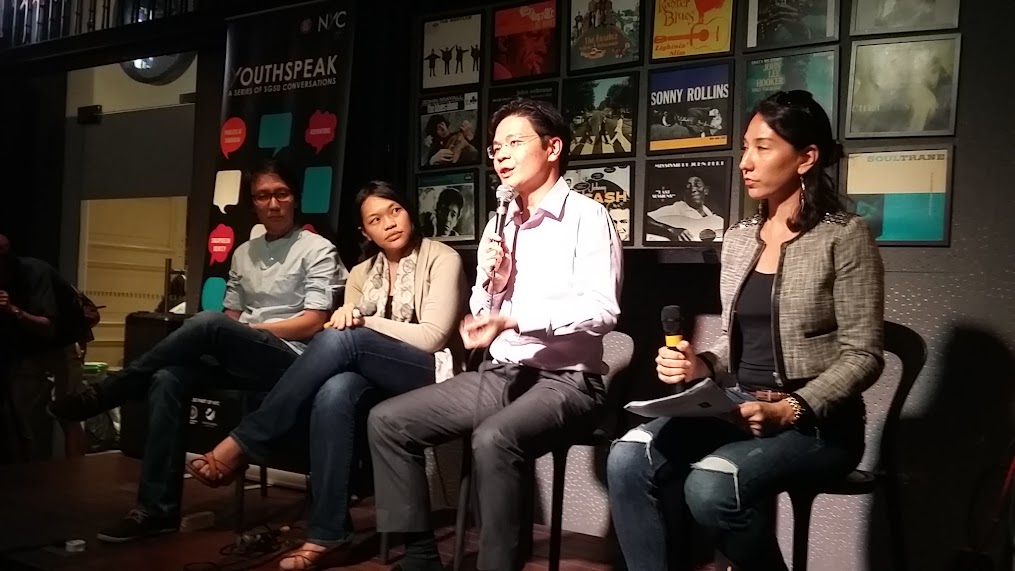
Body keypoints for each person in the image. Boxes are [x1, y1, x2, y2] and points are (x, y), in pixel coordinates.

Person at [607, 90, 884, 571]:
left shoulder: (844, 235)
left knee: (711, 487)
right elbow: (732, 341)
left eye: (762, 147)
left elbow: (864, 355)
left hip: (818, 425)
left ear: (806, 158)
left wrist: (790, 409)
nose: (745, 163)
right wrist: (701, 364)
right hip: (736, 406)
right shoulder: (738, 238)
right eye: (744, 148)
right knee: (628, 457)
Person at [368, 98, 623, 571]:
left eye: (514, 142)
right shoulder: (500, 221)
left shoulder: (587, 217)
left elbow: (602, 311)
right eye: (495, 147)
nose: (501, 154)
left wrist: (515, 318)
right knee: (387, 421)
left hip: (567, 381)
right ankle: (420, 559)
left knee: (494, 439)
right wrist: (491, 287)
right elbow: (484, 310)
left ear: (552, 148)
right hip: (503, 372)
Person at [48, 157, 346, 543]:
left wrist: (242, 330)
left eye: (281, 194)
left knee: (208, 322)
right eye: (263, 196)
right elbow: (232, 314)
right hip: (243, 353)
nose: (273, 204)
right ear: (253, 203)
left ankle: (108, 392)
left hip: (292, 359)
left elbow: (312, 322)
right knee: (166, 377)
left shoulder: (318, 249)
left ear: (295, 198)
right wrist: (231, 332)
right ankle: (155, 510)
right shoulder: (244, 252)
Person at [187, 181, 468, 570]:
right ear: (364, 231)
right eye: (375, 219)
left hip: (433, 373)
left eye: (395, 211)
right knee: (335, 390)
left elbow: (431, 337)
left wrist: (363, 321)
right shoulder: (360, 273)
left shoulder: (442, 258)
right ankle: (327, 532)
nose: (389, 223)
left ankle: (245, 441)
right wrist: (353, 323)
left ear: (408, 211)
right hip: (378, 375)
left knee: (343, 338)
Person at [0, 235, 90, 462]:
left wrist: (13, 310)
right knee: (16, 413)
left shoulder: (36, 273)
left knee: (68, 412)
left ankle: (77, 472)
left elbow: (47, 327)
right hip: (28, 350)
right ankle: (27, 471)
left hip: (61, 345)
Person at [645, 175, 725, 242]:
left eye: (697, 185)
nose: (693, 189)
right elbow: (643, 219)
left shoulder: (715, 218)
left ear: (706, 190)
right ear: (684, 192)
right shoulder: (676, 208)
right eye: (688, 186)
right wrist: (671, 230)